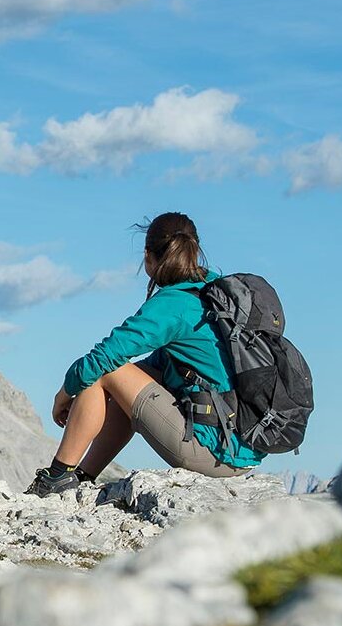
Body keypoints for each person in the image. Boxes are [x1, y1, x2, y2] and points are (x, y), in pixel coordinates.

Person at [27, 212, 264, 496]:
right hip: (240, 446)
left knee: (104, 370)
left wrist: (63, 395)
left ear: (148, 256)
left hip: (214, 451)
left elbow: (105, 358)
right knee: (121, 378)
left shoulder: (172, 304)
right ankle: (81, 477)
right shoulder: (213, 293)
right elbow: (157, 368)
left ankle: (56, 478)